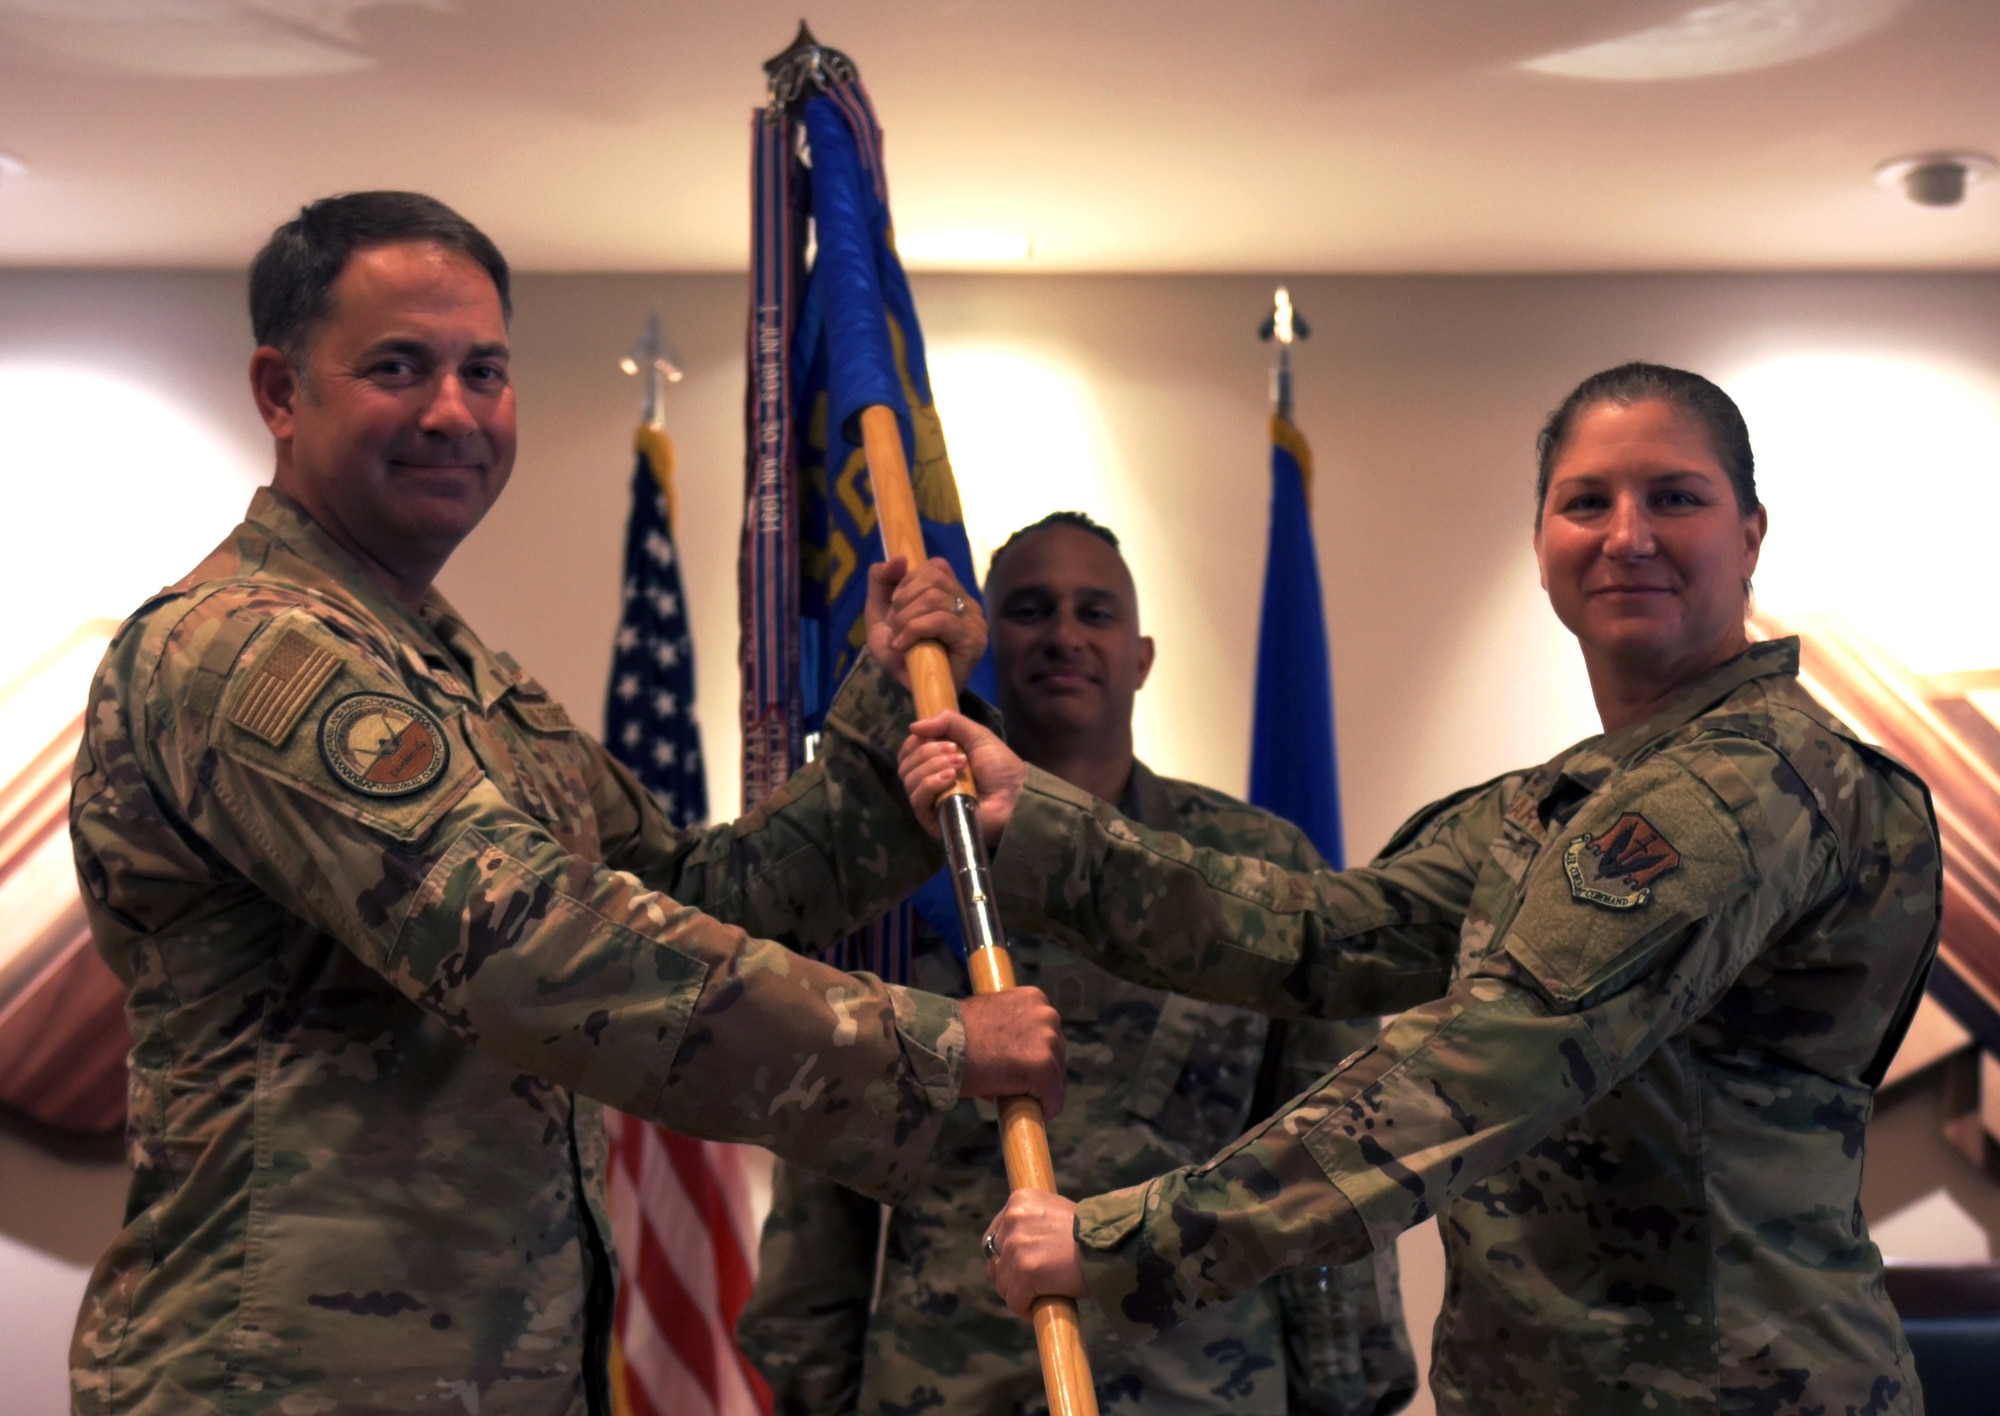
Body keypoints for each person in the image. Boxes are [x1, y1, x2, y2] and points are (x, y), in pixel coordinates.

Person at [66, 191, 1066, 1416]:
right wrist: (937, 1044)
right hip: (283, 1379)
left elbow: (699, 893)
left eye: (484, 371)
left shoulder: (451, 672)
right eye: (398, 367)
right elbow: (529, 944)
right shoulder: (247, 655)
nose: (453, 411)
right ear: (281, 391)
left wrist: (879, 730)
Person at [906, 364, 1944, 1416]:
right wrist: (1034, 823)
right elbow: (1319, 937)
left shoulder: (1758, 776)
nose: (1626, 534)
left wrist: (1131, 1238)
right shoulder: (1548, 805)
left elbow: (1493, 1057)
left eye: (1673, 496)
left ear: (1750, 534)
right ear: (1540, 545)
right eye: (1585, 501)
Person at [740, 514, 1416, 1416]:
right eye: (1029, 609)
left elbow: (1329, 1155)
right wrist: (809, 1388)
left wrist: (1348, 1391)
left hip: (1205, 1387)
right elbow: (823, 1178)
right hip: (949, 1383)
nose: (1064, 635)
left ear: (1140, 655)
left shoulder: (1257, 866)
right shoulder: (899, 874)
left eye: (1093, 613)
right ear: (985, 644)